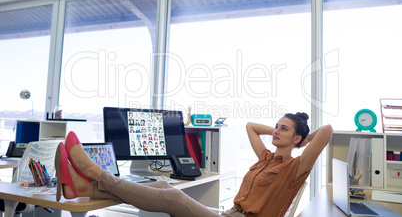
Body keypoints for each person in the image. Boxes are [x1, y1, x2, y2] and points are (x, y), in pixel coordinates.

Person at [55, 112, 333, 217]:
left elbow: (328, 130)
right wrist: (286, 132)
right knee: (163, 183)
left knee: (173, 196)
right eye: (275, 126)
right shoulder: (266, 158)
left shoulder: (294, 169)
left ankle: (93, 172)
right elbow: (249, 126)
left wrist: (304, 141)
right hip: (229, 215)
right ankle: (84, 187)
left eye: (283, 129)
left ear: (297, 137)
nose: (274, 131)